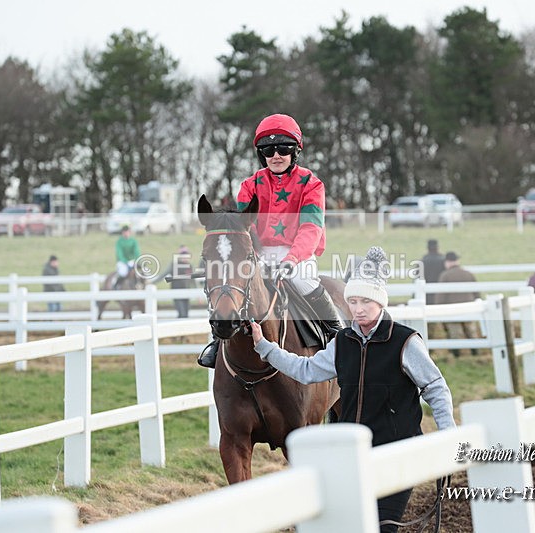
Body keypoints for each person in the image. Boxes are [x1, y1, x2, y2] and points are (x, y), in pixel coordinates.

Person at [250, 246, 455, 533]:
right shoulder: (342, 342)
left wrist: (448, 435)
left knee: (382, 526)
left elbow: (435, 388)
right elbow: (306, 370)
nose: (357, 309)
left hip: (396, 453)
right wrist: (265, 348)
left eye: (365, 302)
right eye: (353, 301)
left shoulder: (406, 342)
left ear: (380, 303)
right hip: (352, 455)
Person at [198, 113, 343, 368]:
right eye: (268, 149)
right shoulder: (250, 184)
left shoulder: (311, 184)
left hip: (298, 254)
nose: (276, 155)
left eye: (283, 148)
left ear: (295, 151)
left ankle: (338, 336)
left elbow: (311, 228)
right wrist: (252, 257)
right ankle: (219, 341)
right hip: (259, 253)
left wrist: (292, 259)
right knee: (232, 284)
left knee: (304, 279)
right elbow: (244, 230)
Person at [436, 251, 479, 356]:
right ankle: (475, 353)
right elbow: (477, 293)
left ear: (447, 262)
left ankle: (456, 355)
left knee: (455, 333)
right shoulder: (468, 274)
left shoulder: (445, 276)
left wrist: (439, 309)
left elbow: (441, 296)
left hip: (452, 310)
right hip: (469, 308)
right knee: (471, 331)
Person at [170, 245, 194, 318]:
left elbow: (193, 280)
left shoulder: (189, 266)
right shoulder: (174, 265)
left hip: (187, 292)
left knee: (186, 314)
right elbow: (163, 275)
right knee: (182, 313)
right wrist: (152, 283)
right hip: (177, 292)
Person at [421, 239, 445, 305]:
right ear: (437, 247)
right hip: (440, 293)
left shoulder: (422, 261)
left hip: (426, 295)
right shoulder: (443, 260)